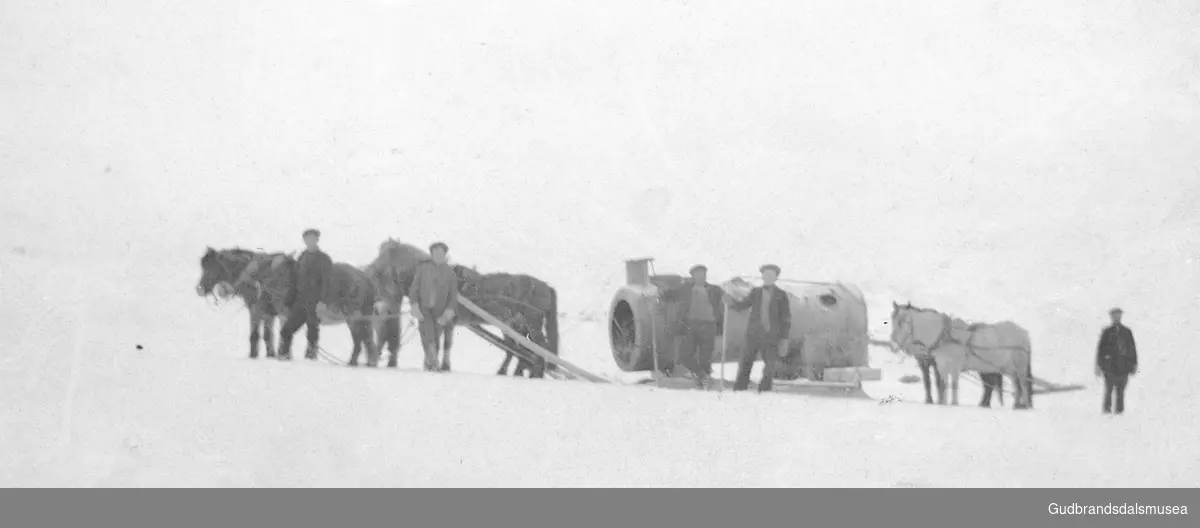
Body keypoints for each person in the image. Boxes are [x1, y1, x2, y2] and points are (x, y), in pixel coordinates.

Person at [725, 264, 792, 393]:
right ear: (763, 276)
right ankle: (740, 389)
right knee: (745, 362)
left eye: (771, 275)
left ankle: (765, 390)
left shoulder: (781, 295)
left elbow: (786, 317)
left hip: (771, 335)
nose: (768, 278)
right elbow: (743, 305)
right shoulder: (756, 292)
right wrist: (731, 302)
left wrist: (784, 337)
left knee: (770, 365)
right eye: (766, 275)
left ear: (776, 278)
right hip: (753, 334)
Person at [660, 265, 725, 389]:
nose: (700, 276)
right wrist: (663, 292)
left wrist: (728, 298)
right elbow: (671, 296)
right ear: (693, 276)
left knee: (705, 357)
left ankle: (704, 382)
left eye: (702, 274)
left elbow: (726, 298)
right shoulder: (686, 289)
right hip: (691, 325)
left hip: (709, 326)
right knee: (684, 355)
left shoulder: (715, 289)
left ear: (705, 275)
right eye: (697, 274)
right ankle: (702, 375)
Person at [279, 228, 333, 361]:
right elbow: (295, 281)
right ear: (304, 240)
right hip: (300, 302)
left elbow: (327, 282)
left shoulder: (324, 259)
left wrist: (323, 301)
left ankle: (311, 353)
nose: (309, 241)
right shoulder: (302, 257)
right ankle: (284, 354)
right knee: (286, 329)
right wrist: (288, 301)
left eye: (312, 239)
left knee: (312, 329)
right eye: (307, 239)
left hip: (315, 302)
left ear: (317, 240)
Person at [408, 241, 459, 372]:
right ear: (431, 254)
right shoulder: (422, 270)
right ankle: (434, 363)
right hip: (424, 309)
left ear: (445, 255)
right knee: (428, 336)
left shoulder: (450, 273)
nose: (438, 255)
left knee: (435, 336)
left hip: (441, 311)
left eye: (441, 253)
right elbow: (414, 290)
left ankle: (429, 362)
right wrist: (414, 306)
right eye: (436, 253)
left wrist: (449, 311)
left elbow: (453, 295)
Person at [1096, 307, 1138, 414]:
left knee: (1120, 392)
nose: (1116, 317)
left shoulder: (1127, 332)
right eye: (1114, 315)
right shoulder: (1107, 332)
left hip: (1123, 367)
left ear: (1121, 316)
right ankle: (1107, 413)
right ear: (1111, 317)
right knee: (1109, 390)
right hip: (1109, 367)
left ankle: (1120, 414)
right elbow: (1101, 349)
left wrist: (1134, 364)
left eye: (1118, 315)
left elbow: (1132, 348)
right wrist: (1099, 365)